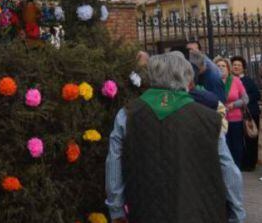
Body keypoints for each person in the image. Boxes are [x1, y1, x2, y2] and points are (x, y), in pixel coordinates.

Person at [105, 52, 245, 223]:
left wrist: (116, 210)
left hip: (144, 209)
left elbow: (114, 163)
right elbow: (228, 169)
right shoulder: (209, 118)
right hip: (200, 210)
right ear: (186, 78)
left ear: (151, 77)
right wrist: (237, 212)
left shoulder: (127, 115)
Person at [232, 55, 261, 171]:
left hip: (250, 114)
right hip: (235, 114)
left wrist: (243, 101)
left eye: (239, 65)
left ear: (243, 68)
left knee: (251, 139)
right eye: (234, 65)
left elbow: (257, 95)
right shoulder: (229, 81)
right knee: (238, 139)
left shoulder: (248, 80)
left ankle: (250, 164)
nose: (236, 67)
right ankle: (241, 162)